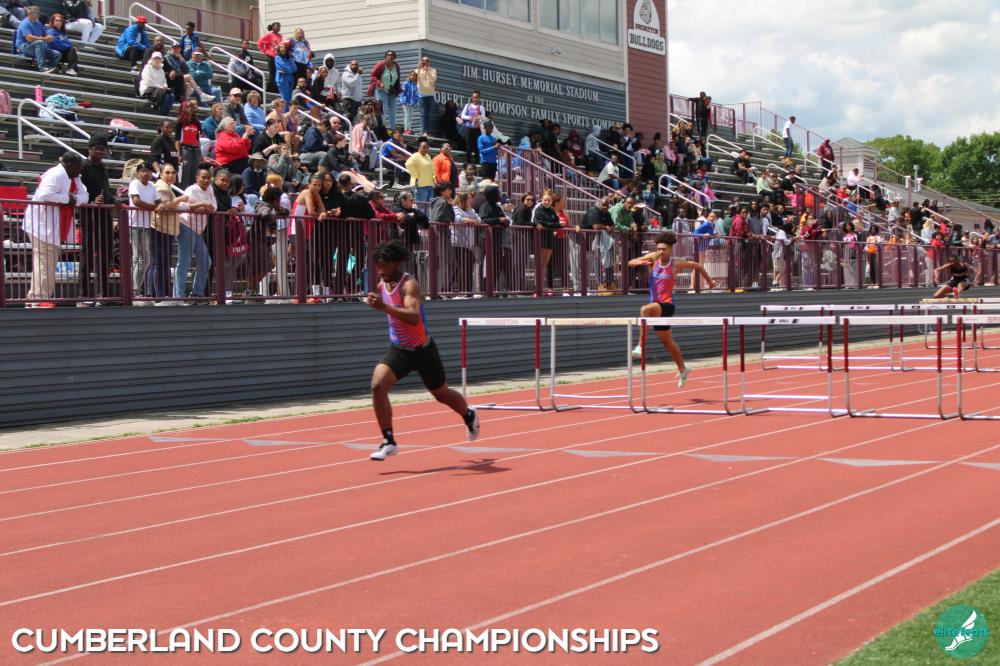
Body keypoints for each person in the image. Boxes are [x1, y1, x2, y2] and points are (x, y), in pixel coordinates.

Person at [365, 240, 480, 461]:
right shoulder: (382, 285)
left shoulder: (410, 285)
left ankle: (468, 414)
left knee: (442, 395)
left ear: (397, 263)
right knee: (378, 386)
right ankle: (389, 441)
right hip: (399, 350)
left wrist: (384, 307)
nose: (381, 271)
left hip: (423, 350)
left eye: (385, 266)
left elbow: (413, 317)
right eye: (378, 267)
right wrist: (378, 303)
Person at [628, 231, 716, 386]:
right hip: (656, 306)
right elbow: (631, 262)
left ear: (671, 249)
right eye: (658, 249)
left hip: (667, 305)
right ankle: (683, 369)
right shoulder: (653, 258)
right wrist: (638, 262)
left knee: (644, 310)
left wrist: (710, 282)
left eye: (664, 249)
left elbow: (698, 266)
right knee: (668, 343)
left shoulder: (676, 263)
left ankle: (640, 347)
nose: (661, 252)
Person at [23, 152, 88, 307]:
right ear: (70, 164)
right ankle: (37, 299)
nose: (81, 170)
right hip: (42, 224)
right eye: (79, 166)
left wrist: (73, 199)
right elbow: (45, 194)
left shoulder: (74, 178)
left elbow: (85, 196)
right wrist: (67, 199)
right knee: (45, 262)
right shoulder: (55, 174)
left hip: (53, 225)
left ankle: (36, 299)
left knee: (47, 262)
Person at [78, 137, 114, 305]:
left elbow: (106, 191)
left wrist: (114, 201)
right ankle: (84, 295)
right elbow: (78, 193)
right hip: (89, 214)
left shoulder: (103, 167)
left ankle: (103, 294)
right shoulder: (83, 167)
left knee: (105, 254)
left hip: (104, 214)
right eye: (98, 148)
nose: (101, 152)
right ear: (90, 149)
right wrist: (91, 202)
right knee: (88, 254)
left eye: (103, 149)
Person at [15, 5, 61, 73]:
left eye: (38, 13)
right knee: (39, 42)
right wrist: (44, 39)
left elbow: (45, 35)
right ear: (30, 14)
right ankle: (42, 68)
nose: (38, 14)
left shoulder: (39, 24)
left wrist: (50, 37)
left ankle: (49, 68)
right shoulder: (25, 23)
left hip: (37, 47)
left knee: (57, 54)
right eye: (36, 13)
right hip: (23, 47)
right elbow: (29, 38)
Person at [367, 49, 402, 130]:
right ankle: (383, 128)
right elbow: (373, 76)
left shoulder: (397, 66)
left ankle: (392, 129)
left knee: (393, 110)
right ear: (385, 56)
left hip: (392, 91)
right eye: (388, 55)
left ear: (394, 57)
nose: (390, 56)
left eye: (392, 55)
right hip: (381, 90)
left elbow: (397, 79)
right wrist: (379, 83)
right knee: (383, 110)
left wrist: (398, 89)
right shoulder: (380, 64)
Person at [256, 22, 282, 94]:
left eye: (279, 26)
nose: (279, 28)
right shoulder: (269, 35)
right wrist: (265, 51)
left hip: (278, 57)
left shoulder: (280, 36)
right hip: (271, 56)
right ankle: (270, 89)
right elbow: (260, 42)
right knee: (272, 73)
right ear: (273, 27)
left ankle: (276, 88)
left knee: (277, 73)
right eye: (277, 26)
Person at [416, 55, 437, 136]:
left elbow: (433, 80)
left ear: (429, 62)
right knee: (423, 114)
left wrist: (427, 71)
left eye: (426, 60)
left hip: (430, 95)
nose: (425, 62)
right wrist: (419, 68)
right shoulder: (418, 70)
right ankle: (424, 131)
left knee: (429, 114)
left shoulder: (432, 70)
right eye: (423, 60)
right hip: (421, 95)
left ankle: (427, 131)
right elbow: (414, 78)